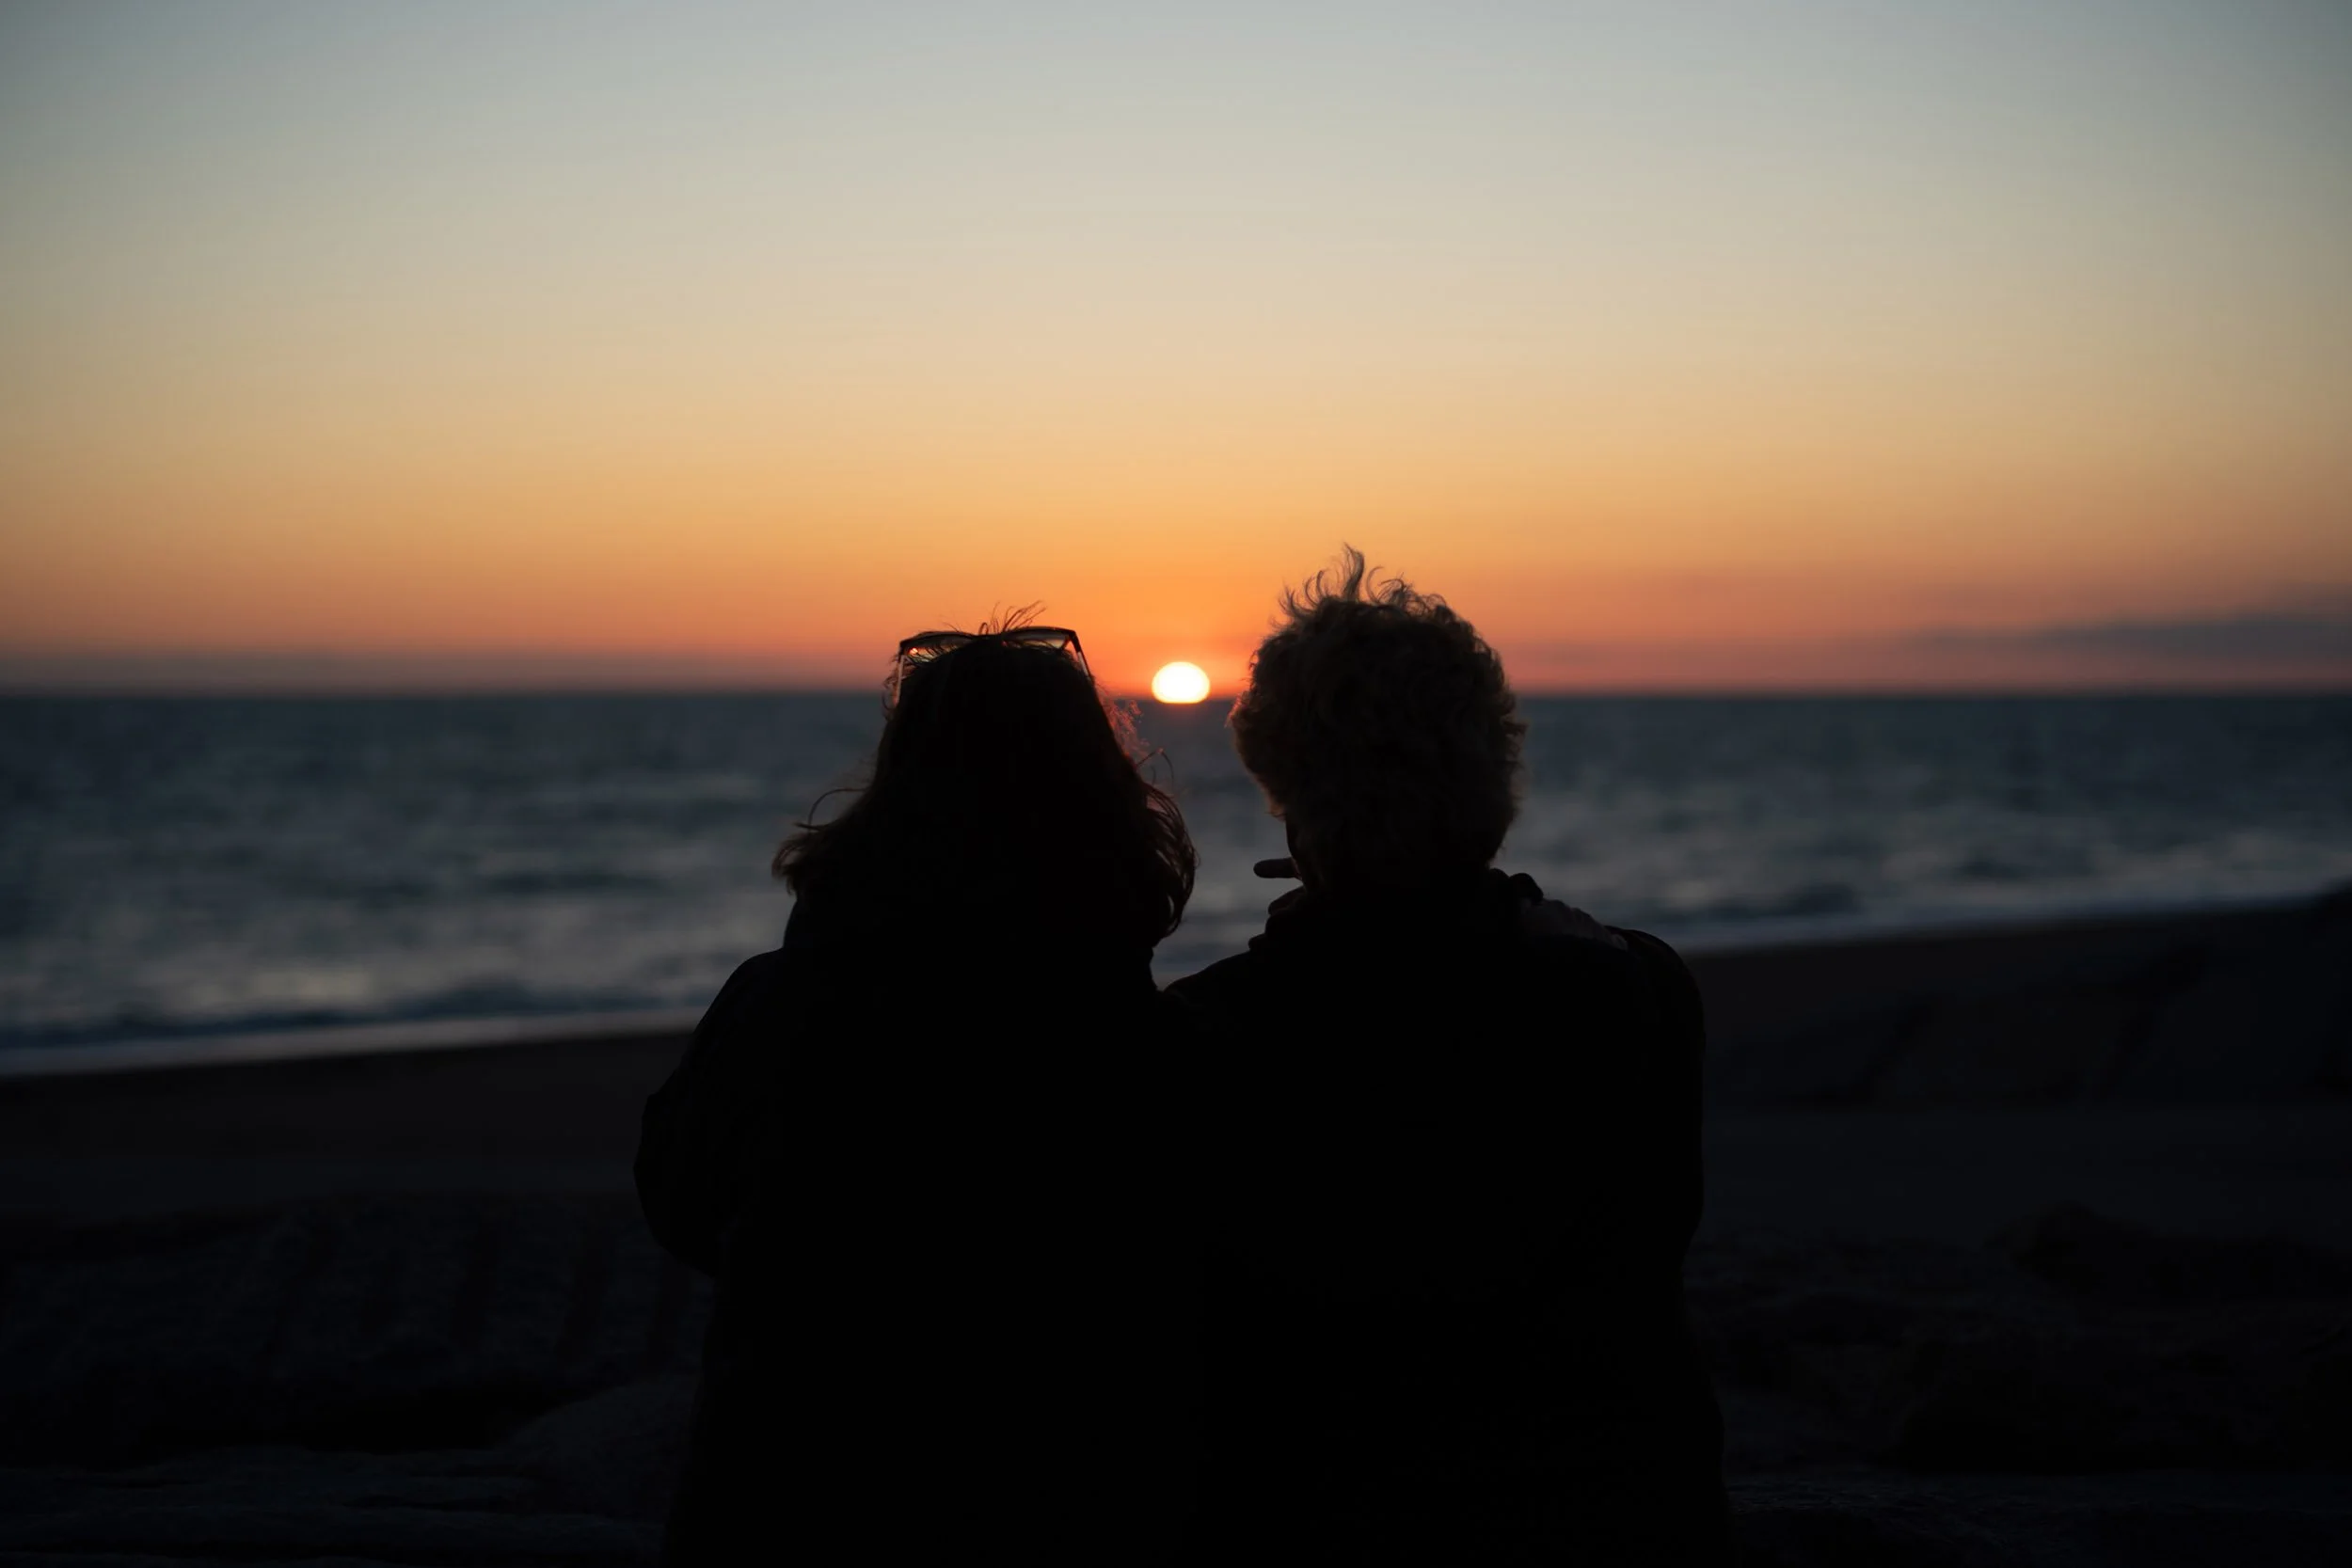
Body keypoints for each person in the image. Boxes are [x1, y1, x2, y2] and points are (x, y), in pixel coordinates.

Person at [1169, 550, 1737, 1564]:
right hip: (1628, 1515)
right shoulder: (1640, 990)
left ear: (1285, 789)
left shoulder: (1209, 1035)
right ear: (1489, 769)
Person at [636, 622, 1200, 1564]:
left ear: (897, 791)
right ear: (1105, 798)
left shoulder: (779, 1012)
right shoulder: (1160, 1046)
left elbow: (682, 1205)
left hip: (791, 1502)